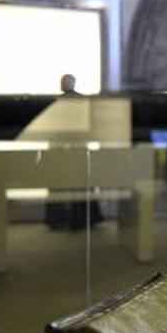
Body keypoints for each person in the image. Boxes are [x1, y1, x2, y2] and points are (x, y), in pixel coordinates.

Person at [45, 73, 103, 231]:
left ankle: (61, 220)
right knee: (81, 183)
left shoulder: (56, 101)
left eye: (63, 82)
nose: (61, 84)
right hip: (77, 147)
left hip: (63, 147)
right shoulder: (82, 101)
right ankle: (85, 219)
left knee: (61, 183)